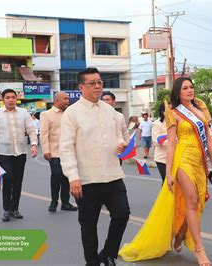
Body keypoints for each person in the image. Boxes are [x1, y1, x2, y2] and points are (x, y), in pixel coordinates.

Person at [119, 77, 212, 266]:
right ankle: (199, 249)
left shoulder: (200, 109)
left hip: (199, 161)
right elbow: (171, 144)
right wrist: (170, 173)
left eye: (191, 87)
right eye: (185, 88)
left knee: (196, 203)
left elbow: (207, 137)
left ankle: (181, 235)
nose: (190, 90)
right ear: (178, 93)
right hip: (182, 160)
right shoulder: (173, 112)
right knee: (191, 200)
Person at [60, 67, 129, 266]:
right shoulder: (72, 113)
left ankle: (108, 253)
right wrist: (73, 177)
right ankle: (92, 262)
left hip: (113, 175)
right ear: (81, 87)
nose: (98, 86)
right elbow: (66, 147)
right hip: (87, 179)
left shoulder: (110, 111)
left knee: (122, 214)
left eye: (100, 82)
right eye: (92, 83)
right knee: (89, 225)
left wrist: (121, 144)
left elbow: (120, 135)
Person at [0, 89, 38, 222]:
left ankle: (15, 208)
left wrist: (34, 144)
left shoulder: (23, 113)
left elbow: (31, 130)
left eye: (13, 97)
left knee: (18, 181)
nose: (11, 100)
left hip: (20, 152)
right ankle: (6, 209)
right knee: (8, 179)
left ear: (16, 99)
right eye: (8, 97)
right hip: (4, 152)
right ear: (3, 100)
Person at [40, 92, 78, 213]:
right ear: (57, 101)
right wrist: (46, 150)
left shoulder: (69, 114)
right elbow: (44, 133)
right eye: (65, 99)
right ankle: (54, 202)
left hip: (69, 152)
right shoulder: (46, 114)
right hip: (54, 152)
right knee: (56, 176)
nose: (68, 100)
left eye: (68, 98)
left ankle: (65, 203)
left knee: (67, 177)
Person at [102, 91, 130, 166]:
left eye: (107, 100)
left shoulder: (119, 116)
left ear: (114, 102)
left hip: (117, 149)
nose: (105, 102)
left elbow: (124, 132)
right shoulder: (96, 115)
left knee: (117, 173)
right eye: (103, 100)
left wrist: (126, 144)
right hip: (102, 151)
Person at [151, 102, 167, 182]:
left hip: (177, 157)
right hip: (162, 158)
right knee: (166, 182)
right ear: (162, 112)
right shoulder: (157, 124)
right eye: (169, 110)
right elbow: (156, 140)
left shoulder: (177, 122)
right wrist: (171, 141)